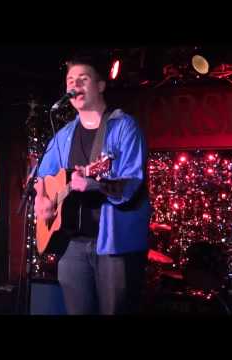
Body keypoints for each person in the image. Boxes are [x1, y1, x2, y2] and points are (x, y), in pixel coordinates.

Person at [34, 54, 151, 315]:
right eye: (70, 80)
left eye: (82, 79)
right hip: (71, 243)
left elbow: (132, 184)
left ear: (100, 86)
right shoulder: (63, 135)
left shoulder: (124, 127)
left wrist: (94, 185)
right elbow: (40, 174)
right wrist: (42, 198)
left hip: (112, 244)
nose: (74, 85)